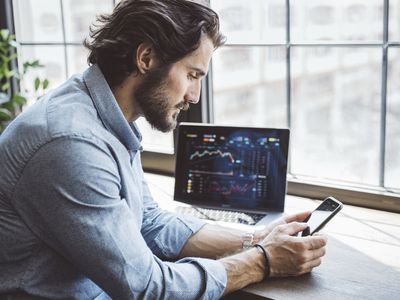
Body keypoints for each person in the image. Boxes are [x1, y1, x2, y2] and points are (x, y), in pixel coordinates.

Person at [0, 0, 327, 299]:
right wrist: (262, 262)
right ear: (145, 58)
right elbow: (147, 287)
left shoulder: (105, 118)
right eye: (192, 75)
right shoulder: (71, 142)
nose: (195, 96)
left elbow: (149, 222)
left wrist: (256, 241)